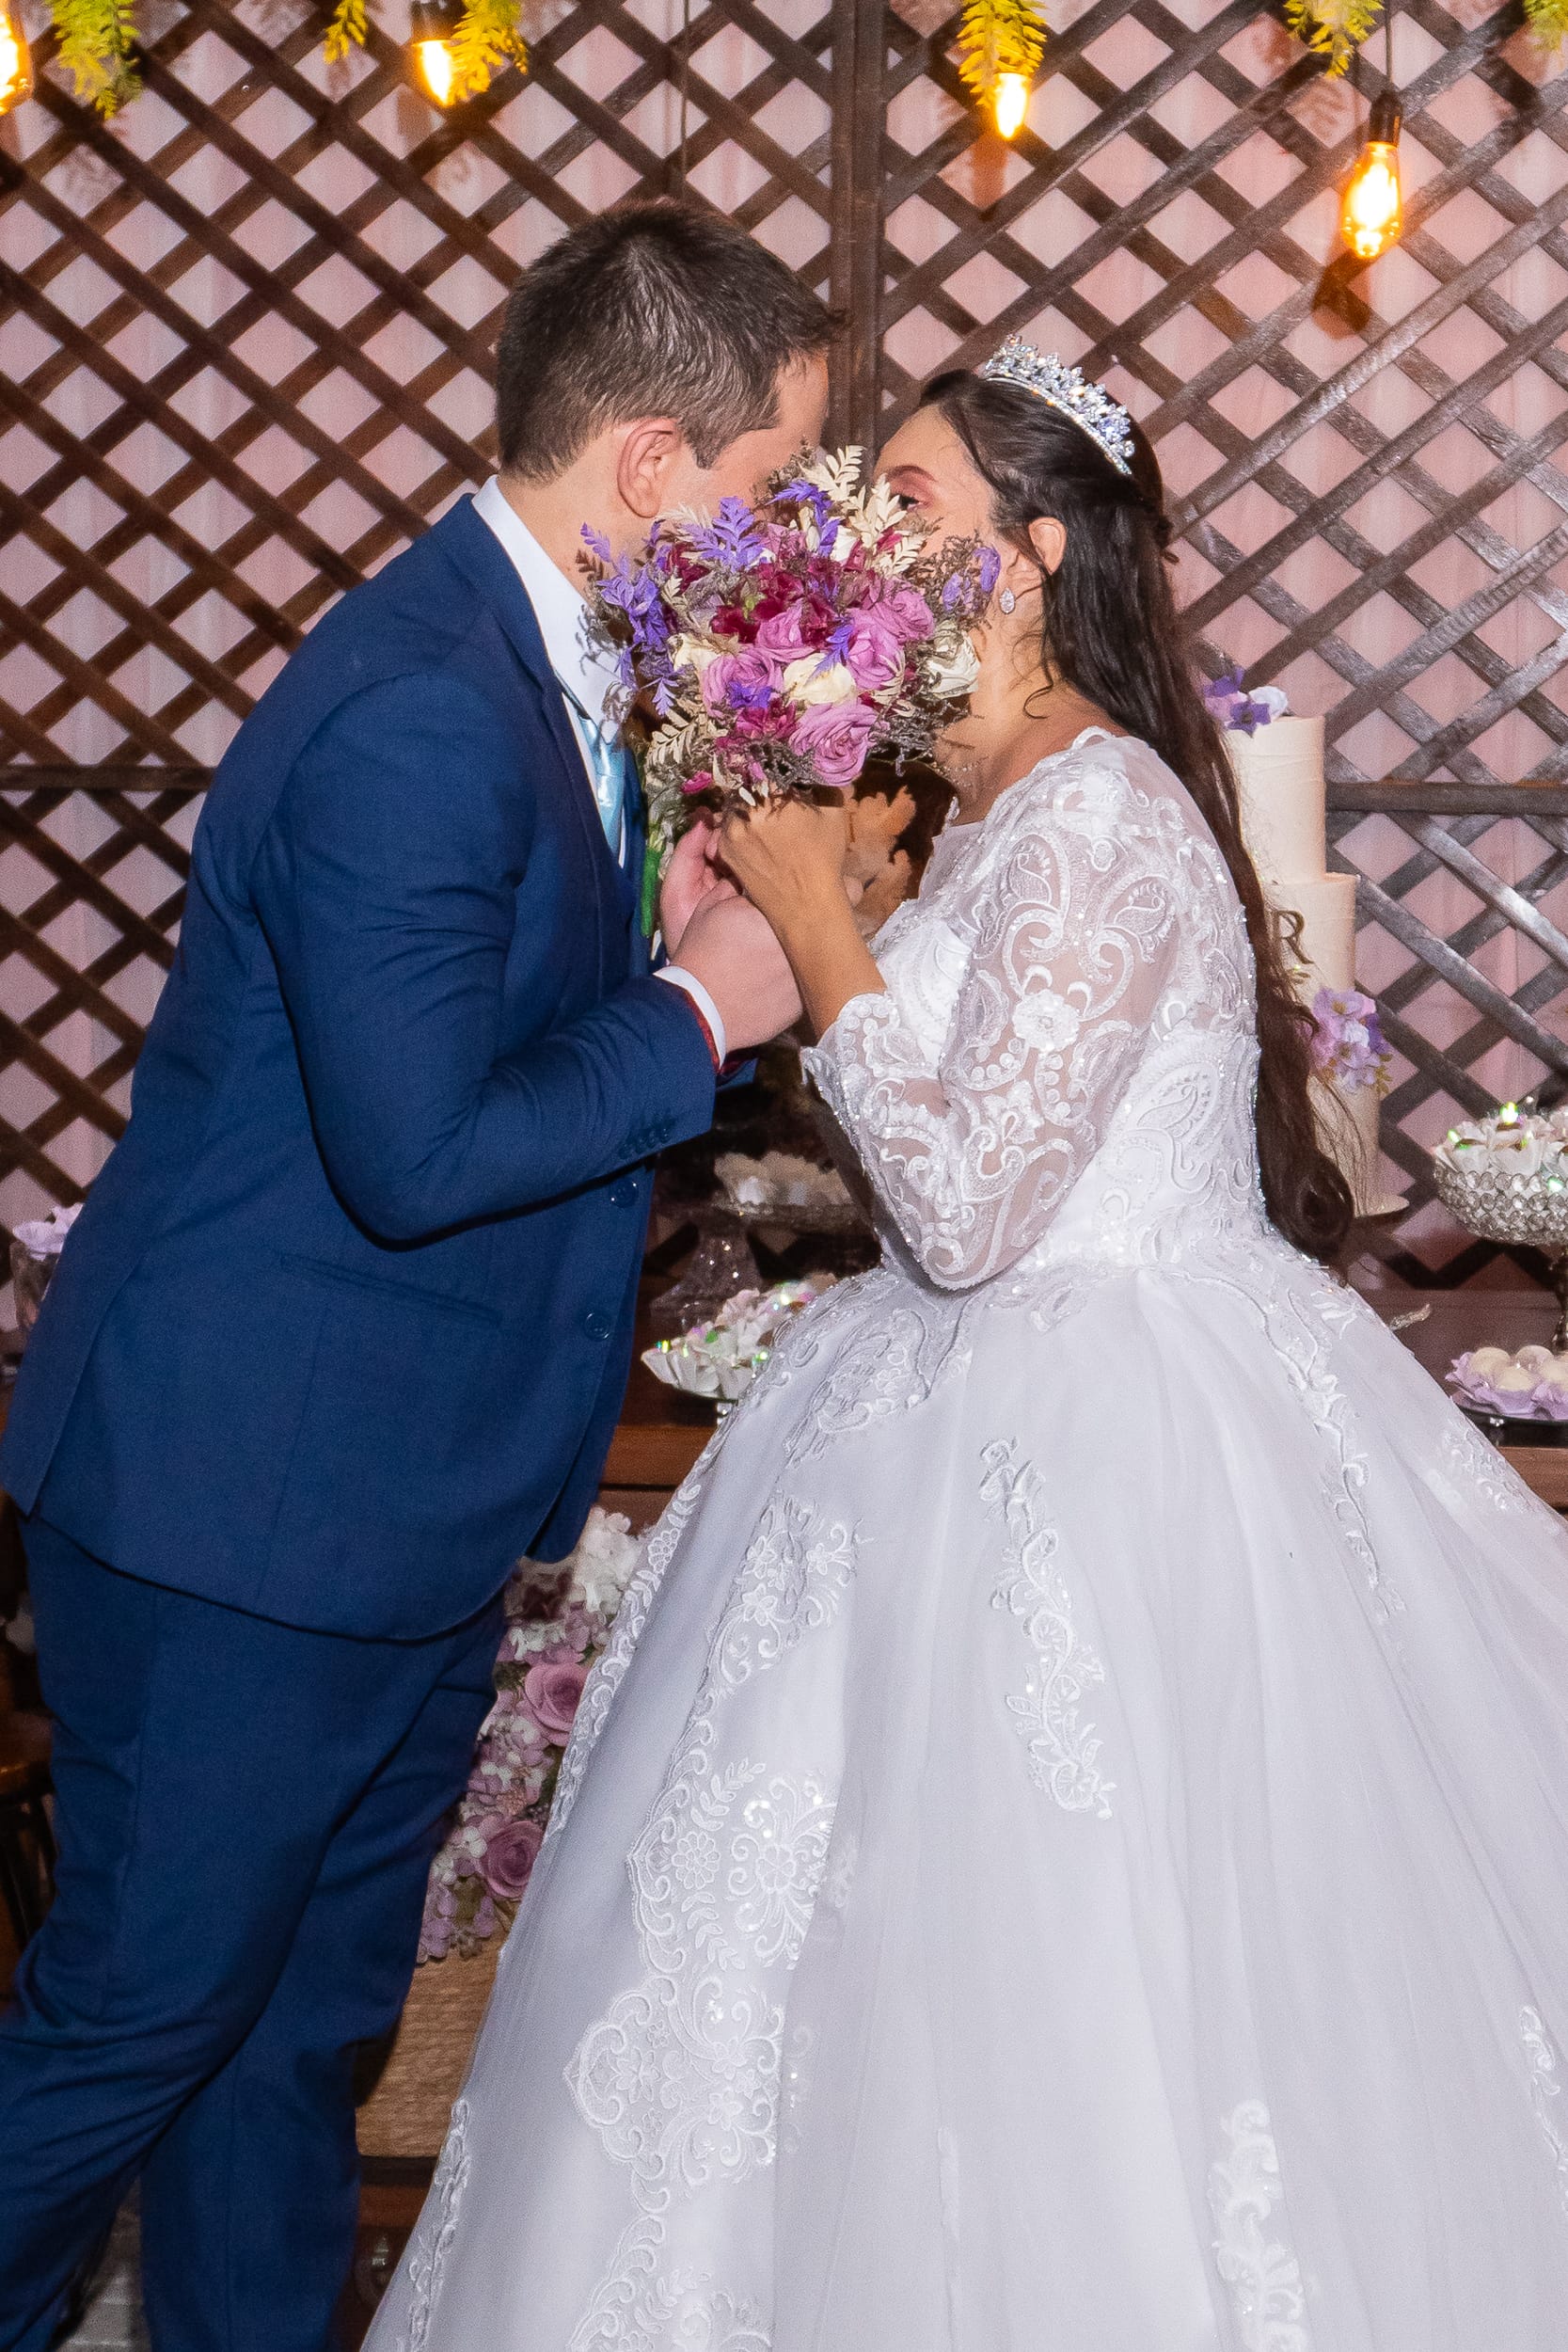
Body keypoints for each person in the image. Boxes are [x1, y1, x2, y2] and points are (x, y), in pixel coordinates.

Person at [368, 342, 1568, 2351]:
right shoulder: (985, 803)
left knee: (1088, 1988)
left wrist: (821, 917)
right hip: (925, 1409)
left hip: (1105, 1450)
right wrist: (811, 893)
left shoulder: (1103, 811)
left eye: (904, 502)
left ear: (1028, 556)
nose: (860, 533)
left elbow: (971, 1209)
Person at [0, 200, 830, 2352]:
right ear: (651, 461)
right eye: (765, 487)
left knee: (287, 2040)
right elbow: (421, 1149)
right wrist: (704, 1003)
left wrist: (673, 948)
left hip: (384, 1498)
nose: (776, 542)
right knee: (137, 2019)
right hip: (244, 1502)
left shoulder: (547, 672)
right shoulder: (423, 707)